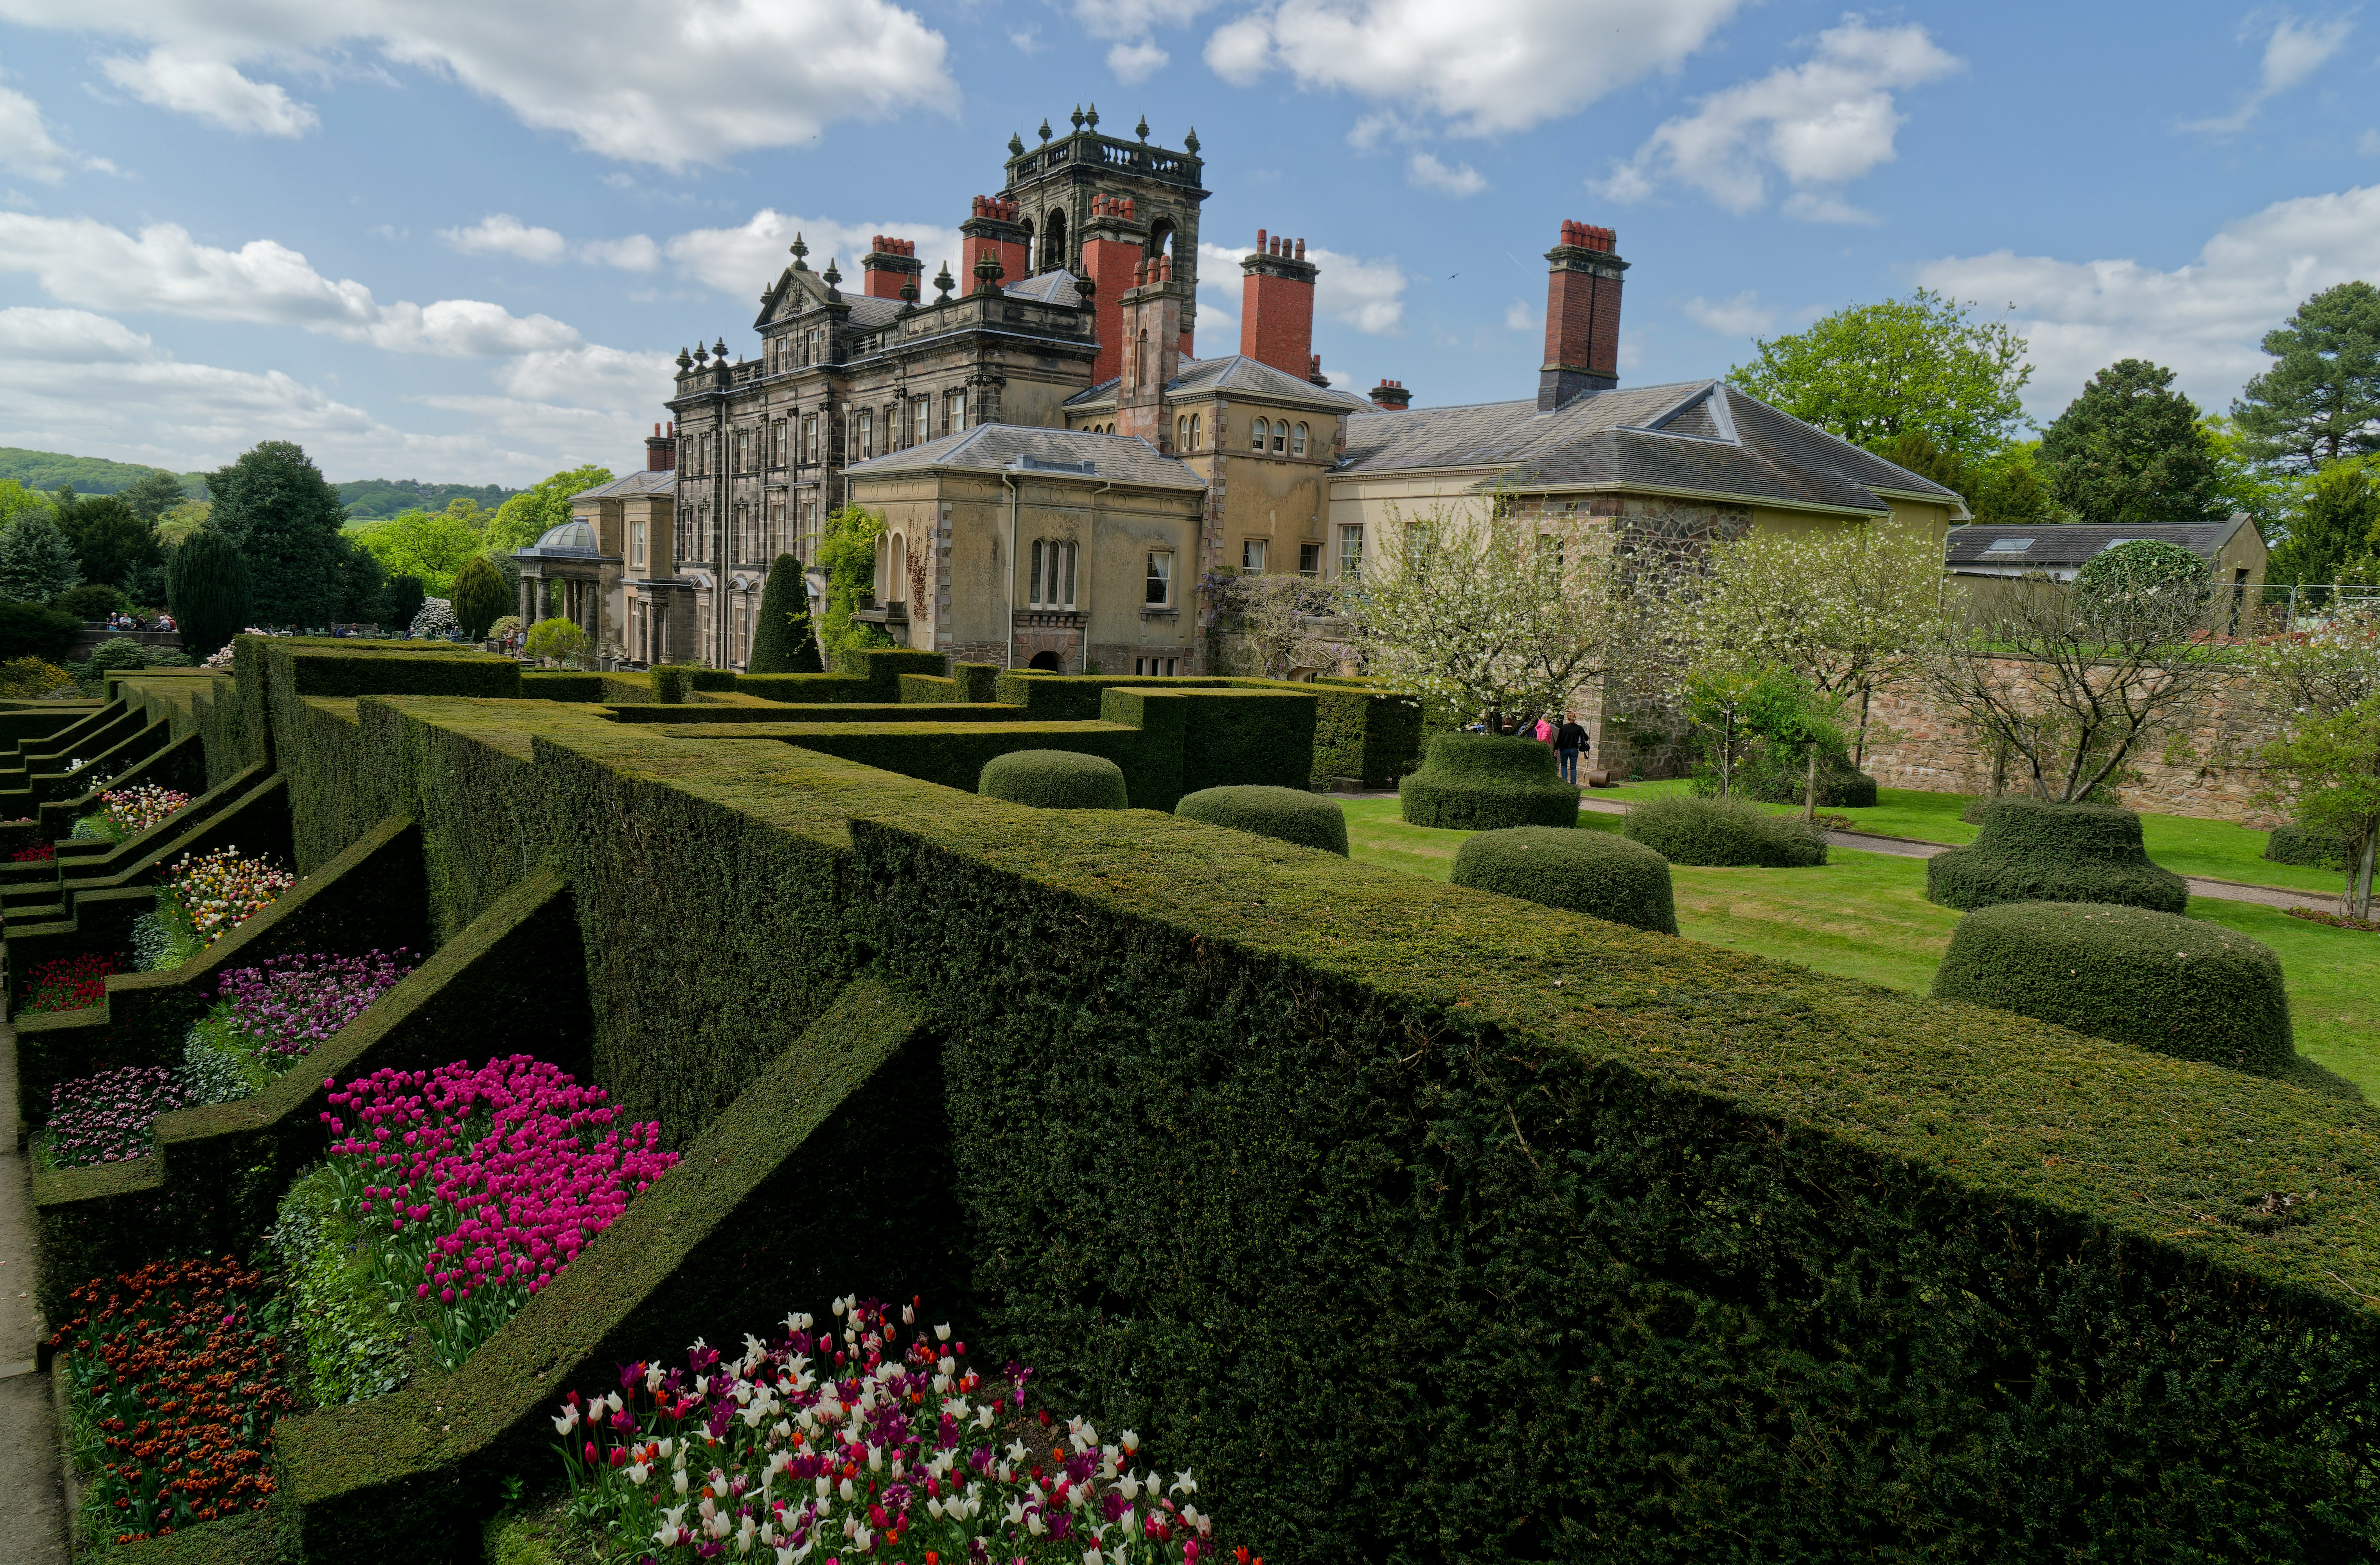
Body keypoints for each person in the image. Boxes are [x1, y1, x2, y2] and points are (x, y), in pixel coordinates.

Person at [1555, 712, 1588, 785]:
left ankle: (1565, 782)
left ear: (1568, 718)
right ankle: (1573, 783)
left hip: (1564, 749)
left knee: (1564, 765)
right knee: (1573, 767)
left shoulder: (1564, 728)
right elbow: (1586, 738)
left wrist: (1556, 749)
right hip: (1574, 749)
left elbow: (1559, 739)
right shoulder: (1579, 728)